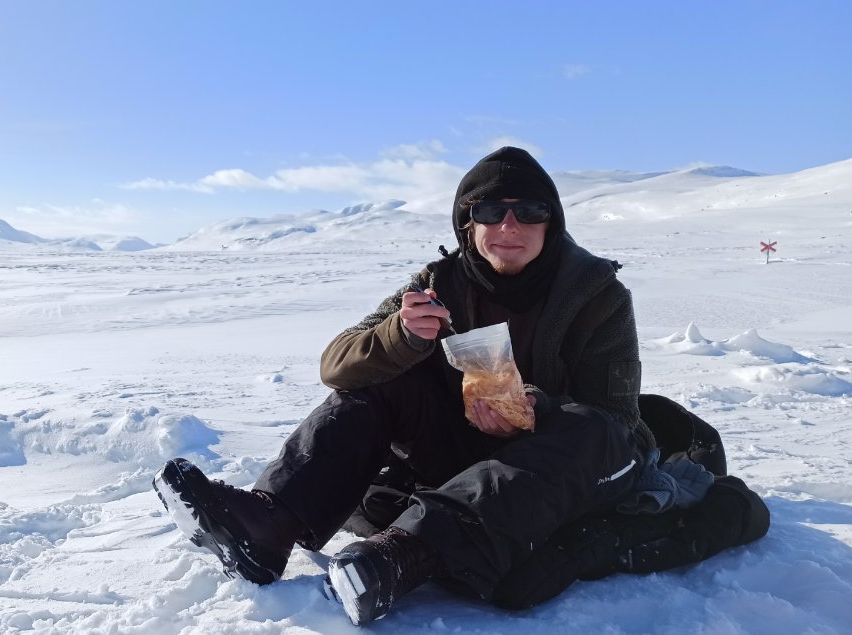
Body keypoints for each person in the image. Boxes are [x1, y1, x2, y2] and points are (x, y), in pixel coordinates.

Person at [153, 147, 768, 626]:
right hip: (460, 453)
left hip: (558, 463)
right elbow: (336, 366)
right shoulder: (435, 282)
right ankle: (269, 524)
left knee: (594, 431)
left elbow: (615, 418)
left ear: (551, 223)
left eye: (530, 212)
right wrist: (399, 335)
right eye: (490, 210)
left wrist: (537, 408)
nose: (510, 225)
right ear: (466, 220)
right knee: (376, 386)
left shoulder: (596, 295)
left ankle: (400, 557)